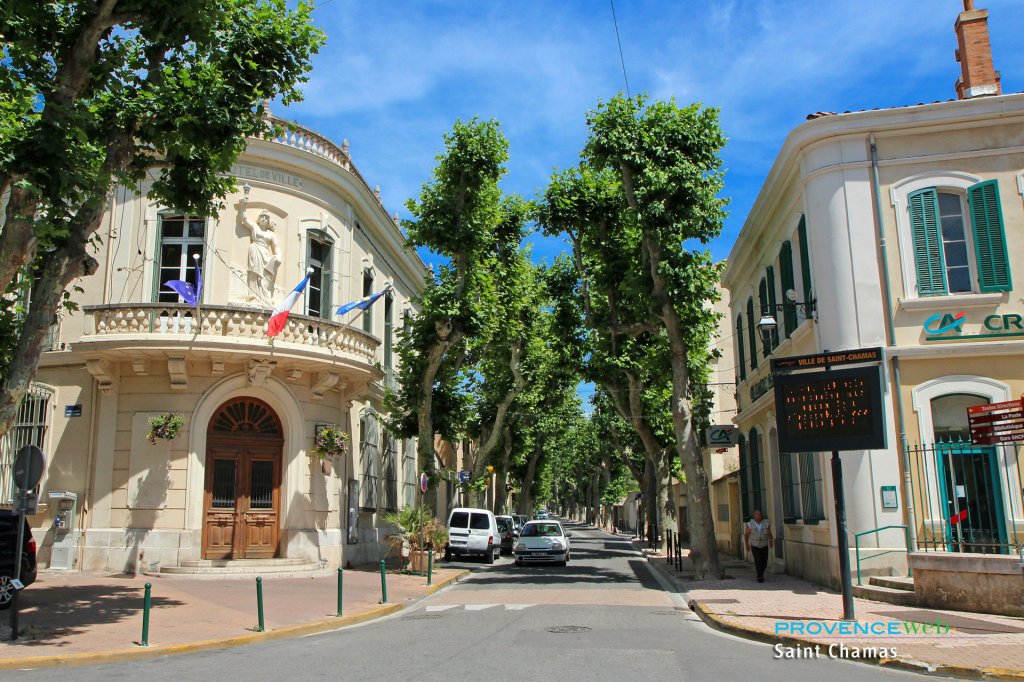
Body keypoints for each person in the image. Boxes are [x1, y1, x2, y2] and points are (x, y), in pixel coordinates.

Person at [239, 196, 280, 302]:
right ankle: (253, 294)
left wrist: (278, 257)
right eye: (262, 216)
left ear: (268, 221)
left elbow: (276, 248)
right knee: (254, 271)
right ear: (259, 218)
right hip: (255, 250)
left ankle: (264, 296)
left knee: (265, 275)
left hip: (265, 253)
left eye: (266, 217)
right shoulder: (254, 227)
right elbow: (244, 219)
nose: (264, 219)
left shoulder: (271, 234)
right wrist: (243, 206)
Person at [744, 509, 774, 583]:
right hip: (755, 545)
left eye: (759, 514)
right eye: (756, 514)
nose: (757, 516)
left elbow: (769, 533)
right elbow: (746, 535)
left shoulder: (766, 523)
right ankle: (759, 576)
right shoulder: (750, 524)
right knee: (758, 561)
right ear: (754, 516)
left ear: (761, 516)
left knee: (764, 562)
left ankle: (761, 574)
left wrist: (770, 541)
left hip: (764, 544)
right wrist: (747, 544)